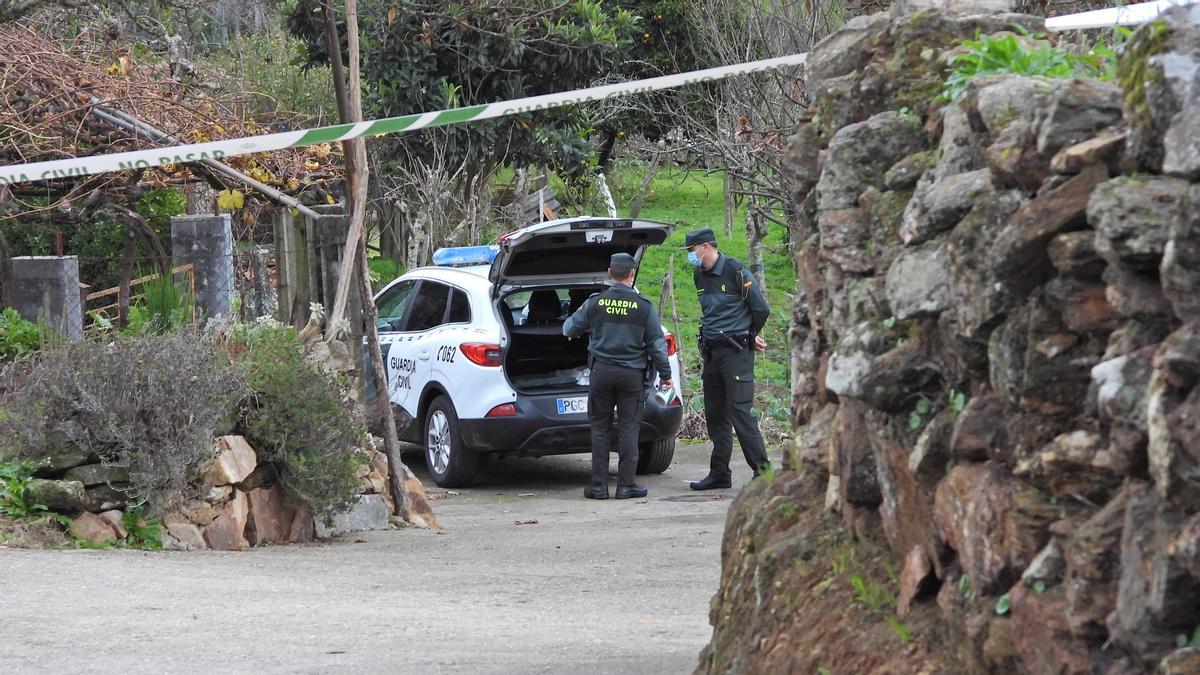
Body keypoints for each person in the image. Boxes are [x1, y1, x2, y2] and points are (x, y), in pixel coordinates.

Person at [564, 253, 673, 500]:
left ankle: (599, 487)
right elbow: (657, 346)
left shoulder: (595, 303)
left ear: (610, 273)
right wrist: (666, 377)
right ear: (631, 274)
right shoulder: (644, 307)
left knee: (600, 430)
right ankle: (626, 486)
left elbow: (569, 328)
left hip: (601, 374)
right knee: (629, 430)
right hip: (631, 376)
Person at [684, 228, 771, 490]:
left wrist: (748, 334)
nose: (690, 255)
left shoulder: (735, 270)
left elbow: (761, 308)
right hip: (712, 352)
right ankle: (720, 472)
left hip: (736, 353)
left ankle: (764, 473)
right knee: (715, 414)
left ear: (705, 247)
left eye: (691, 250)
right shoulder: (699, 274)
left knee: (739, 412)